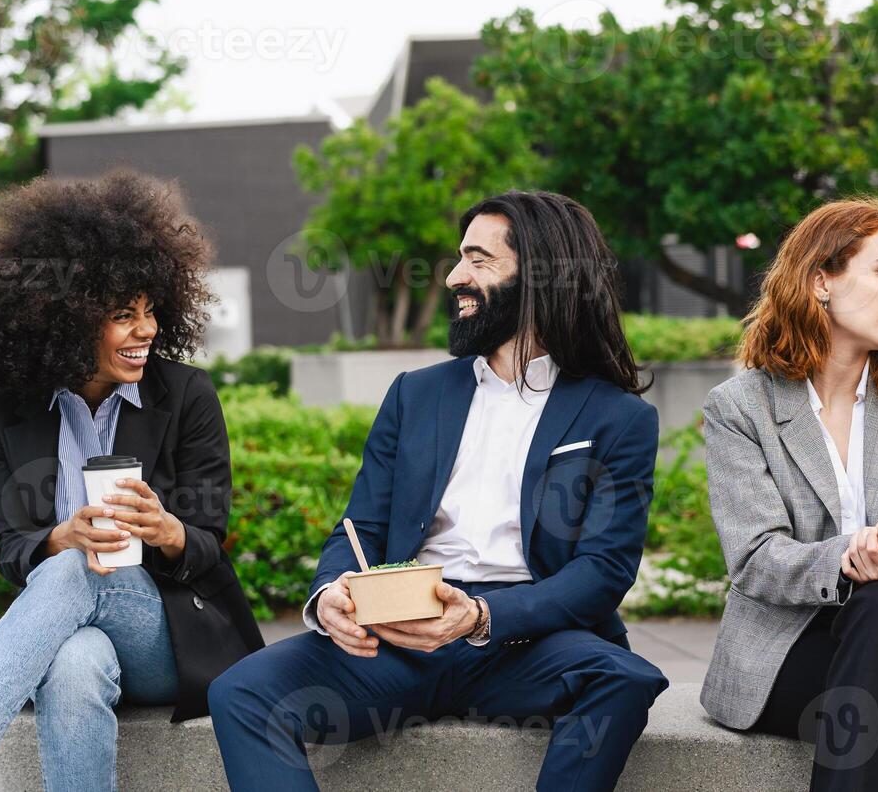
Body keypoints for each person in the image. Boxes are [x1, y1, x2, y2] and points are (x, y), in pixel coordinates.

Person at [209, 190, 668, 791]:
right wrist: (328, 597)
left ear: (541, 277)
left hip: (528, 642)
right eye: (459, 258)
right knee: (241, 691)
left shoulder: (617, 417)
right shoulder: (415, 394)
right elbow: (361, 527)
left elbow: (604, 570)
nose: (455, 277)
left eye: (479, 260)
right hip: (398, 639)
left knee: (623, 680)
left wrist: (481, 616)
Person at [0, 170, 263, 792]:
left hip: (169, 635)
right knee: (72, 663)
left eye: (151, 311)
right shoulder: (9, 409)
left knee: (77, 571)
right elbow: (9, 546)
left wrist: (169, 529)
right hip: (74, 628)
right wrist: (58, 538)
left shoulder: (186, 396)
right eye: (123, 315)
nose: (146, 331)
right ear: (65, 323)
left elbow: (211, 544)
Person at [699, 196, 878, 792]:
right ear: (820, 280)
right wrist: (861, 553)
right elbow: (754, 559)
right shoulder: (740, 408)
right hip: (789, 647)